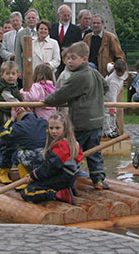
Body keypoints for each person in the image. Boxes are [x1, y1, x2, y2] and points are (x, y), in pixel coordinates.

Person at [44, 41, 109, 189]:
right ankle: (98, 179)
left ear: (84, 59)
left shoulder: (79, 76)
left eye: (73, 58)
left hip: (82, 121)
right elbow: (105, 87)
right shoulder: (94, 72)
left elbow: (61, 94)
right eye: (67, 58)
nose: (69, 61)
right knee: (94, 151)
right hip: (97, 120)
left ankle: (68, 177)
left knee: (73, 149)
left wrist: (46, 100)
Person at [20, 112, 83, 205]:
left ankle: (57, 194)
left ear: (65, 129)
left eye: (57, 128)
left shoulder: (62, 145)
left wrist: (34, 175)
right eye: (51, 128)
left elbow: (50, 166)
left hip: (62, 178)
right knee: (36, 183)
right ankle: (65, 189)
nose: (53, 131)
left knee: (27, 191)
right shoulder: (71, 142)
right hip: (67, 177)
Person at [0, 109, 48, 189]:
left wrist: (11, 119)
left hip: (34, 159)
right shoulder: (44, 121)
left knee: (15, 154)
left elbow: (3, 133)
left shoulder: (19, 125)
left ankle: (25, 180)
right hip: (48, 159)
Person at [50, 5, 81, 77]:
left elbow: (78, 46)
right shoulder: (52, 28)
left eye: (68, 15)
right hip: (54, 60)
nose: (67, 18)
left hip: (69, 61)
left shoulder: (76, 30)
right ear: (58, 15)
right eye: (64, 16)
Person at [103, 59, 128, 138]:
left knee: (110, 114)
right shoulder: (114, 81)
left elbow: (109, 66)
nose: (120, 74)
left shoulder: (113, 68)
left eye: (122, 72)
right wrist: (113, 109)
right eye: (118, 72)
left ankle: (112, 128)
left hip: (109, 97)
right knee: (109, 114)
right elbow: (112, 97)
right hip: (107, 99)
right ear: (116, 70)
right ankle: (108, 131)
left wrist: (109, 64)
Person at [15, 9, 39, 76]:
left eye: (33, 18)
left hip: (39, 68)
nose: (31, 19)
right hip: (26, 68)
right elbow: (18, 54)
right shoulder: (20, 34)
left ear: (37, 19)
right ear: (25, 20)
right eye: (28, 18)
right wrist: (19, 71)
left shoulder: (42, 32)